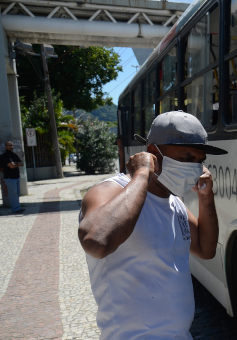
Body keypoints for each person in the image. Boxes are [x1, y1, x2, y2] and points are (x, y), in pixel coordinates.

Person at [78, 111, 227, 339]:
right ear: (152, 154)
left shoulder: (174, 203)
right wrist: (141, 175)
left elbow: (206, 250)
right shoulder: (110, 190)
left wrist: (207, 198)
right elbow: (97, 242)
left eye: (200, 161)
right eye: (187, 158)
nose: (195, 168)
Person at [0, 141, 25, 214]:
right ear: (6, 146)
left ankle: (18, 207)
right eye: (10, 145)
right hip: (9, 177)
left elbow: (21, 163)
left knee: (17, 193)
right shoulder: (4, 156)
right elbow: (10, 166)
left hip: (16, 176)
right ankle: (15, 209)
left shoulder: (14, 155)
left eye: (12, 145)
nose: (11, 146)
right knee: (13, 194)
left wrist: (15, 164)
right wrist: (10, 166)